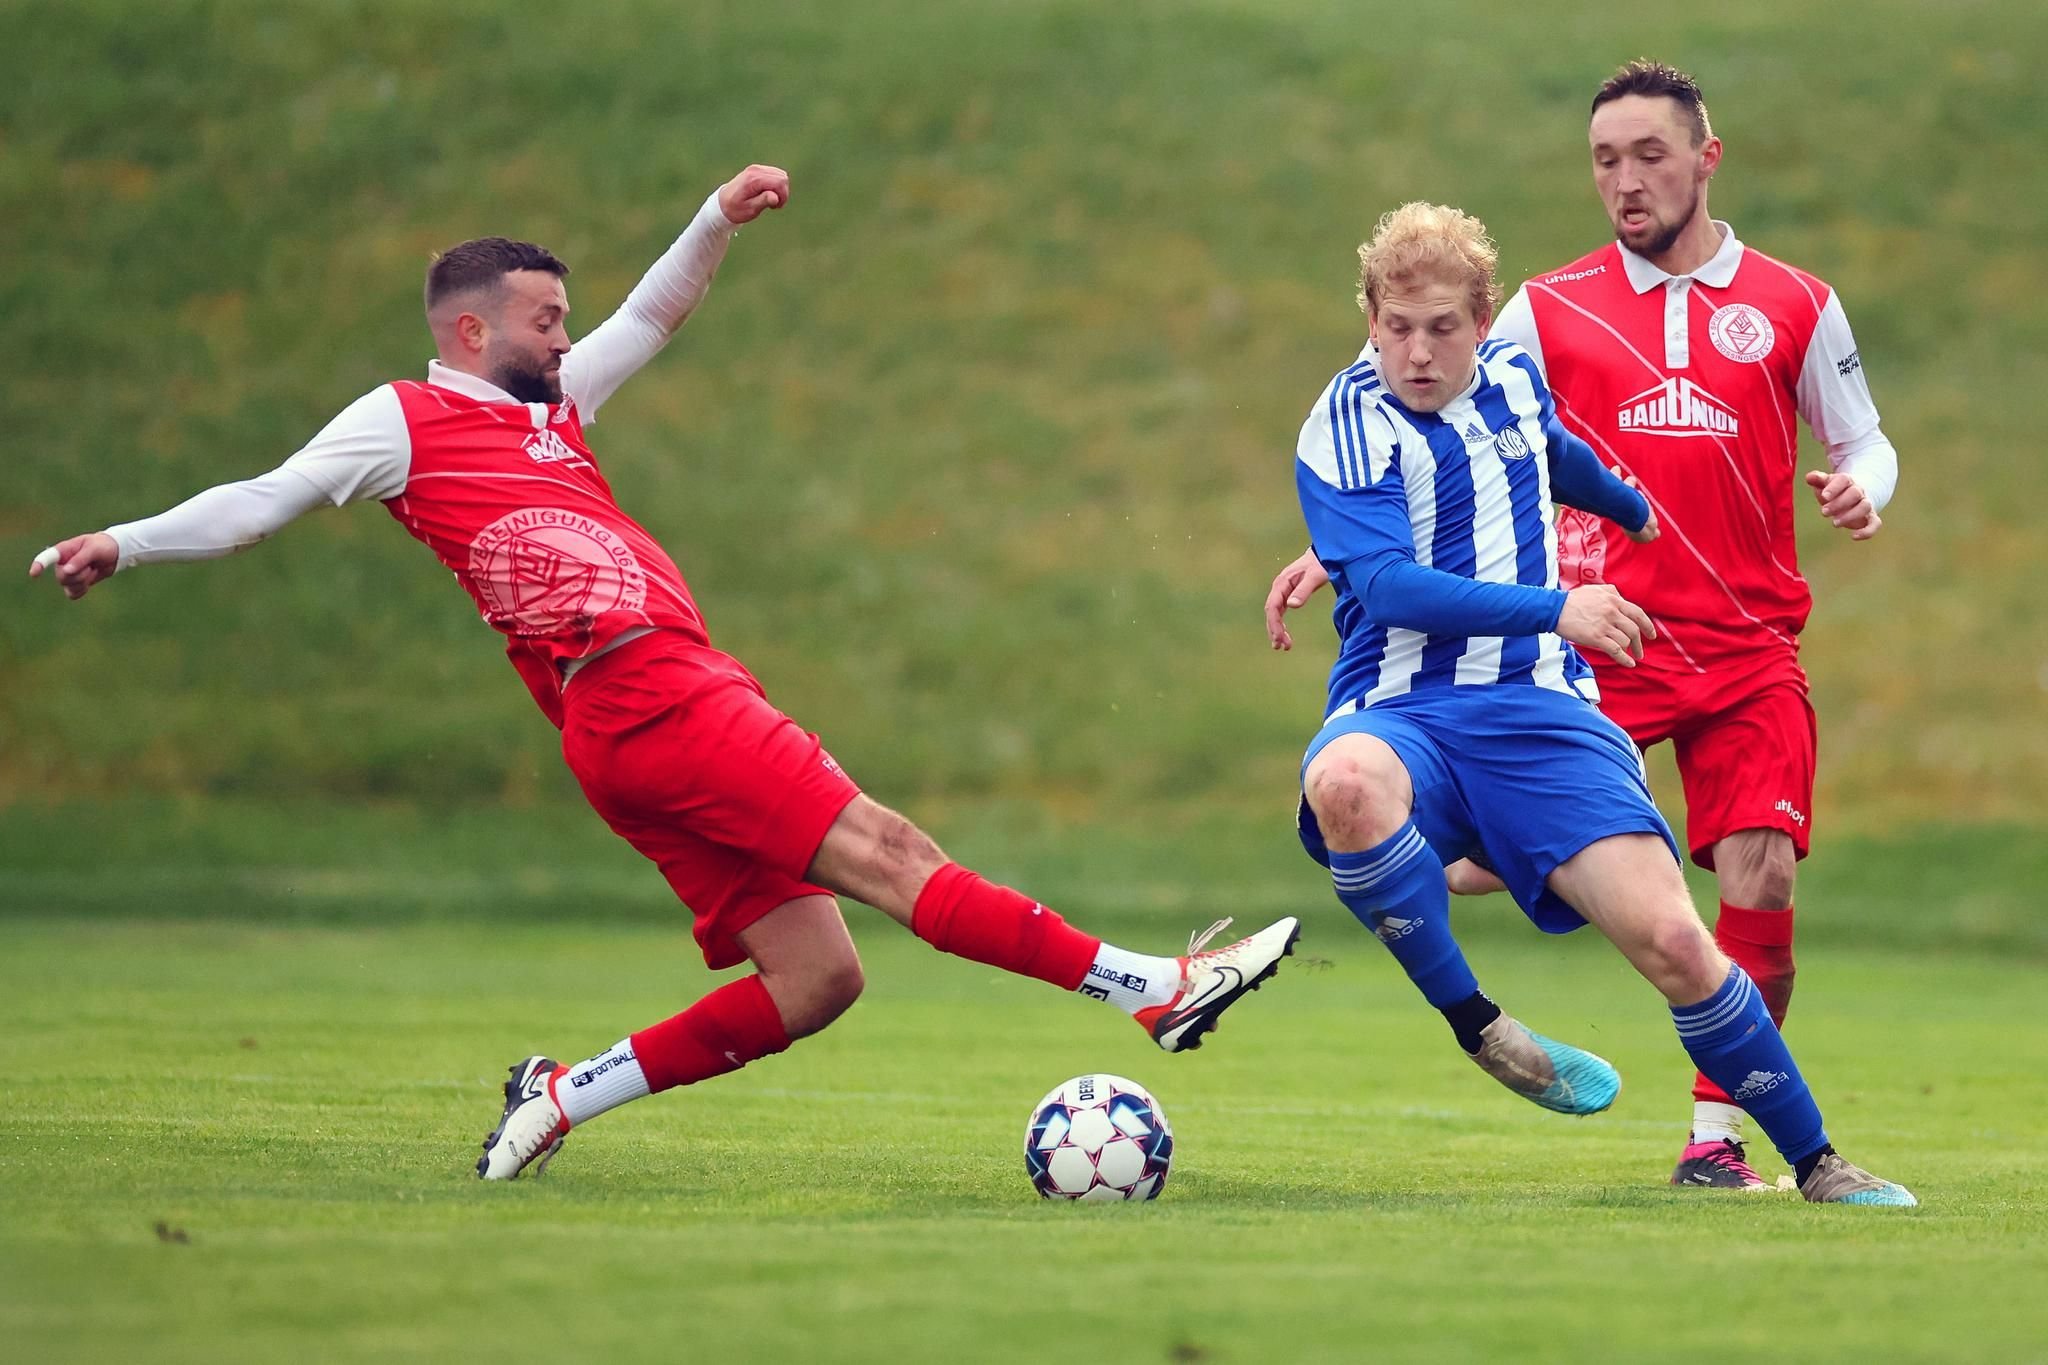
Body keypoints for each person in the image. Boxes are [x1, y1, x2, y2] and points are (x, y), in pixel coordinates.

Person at [29, 164, 1301, 1182]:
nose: (565, 335)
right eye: (542, 320)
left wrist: (713, 217)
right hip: (650, 691)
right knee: (890, 854)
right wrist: (123, 542)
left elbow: (652, 315)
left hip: (628, 725)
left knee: (817, 980)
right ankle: (1152, 989)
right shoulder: (402, 422)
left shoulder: (552, 411)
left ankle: (560, 1100)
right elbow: (261, 502)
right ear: (469, 330)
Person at [1266, 61, 1900, 1190]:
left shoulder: (1794, 301)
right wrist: (1344, 549)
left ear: (1706, 158)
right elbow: (1413, 457)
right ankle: (1471, 993)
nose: (1624, 179)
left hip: (1733, 645)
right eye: (1604, 159)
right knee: (1412, 816)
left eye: (1648, 153)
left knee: (1737, 889)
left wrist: (1862, 488)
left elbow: (1856, 440)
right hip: (1586, 640)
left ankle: (1746, 1149)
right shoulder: (1539, 312)